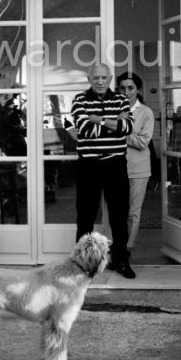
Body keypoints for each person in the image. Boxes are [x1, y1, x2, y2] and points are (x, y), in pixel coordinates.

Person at [71, 63, 136, 278]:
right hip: (88, 166)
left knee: (119, 215)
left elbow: (127, 128)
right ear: (90, 79)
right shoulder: (79, 100)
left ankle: (121, 259)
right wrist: (113, 124)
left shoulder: (120, 100)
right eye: (96, 78)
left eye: (104, 78)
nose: (100, 81)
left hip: (115, 165)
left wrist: (98, 119)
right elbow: (84, 130)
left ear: (110, 79)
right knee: (86, 215)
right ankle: (82, 264)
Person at [116, 72, 155, 260]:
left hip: (138, 169)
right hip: (113, 168)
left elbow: (143, 142)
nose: (126, 92)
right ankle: (114, 247)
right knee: (114, 210)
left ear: (137, 89)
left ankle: (127, 249)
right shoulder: (112, 110)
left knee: (133, 212)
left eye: (130, 88)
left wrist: (118, 131)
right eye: (122, 88)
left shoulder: (146, 112)